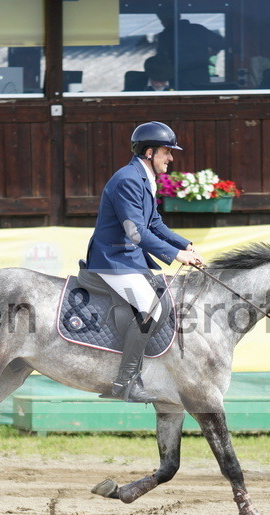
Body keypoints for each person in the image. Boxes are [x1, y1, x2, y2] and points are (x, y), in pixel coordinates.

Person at [85, 122, 203, 403]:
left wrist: (183, 244)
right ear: (149, 152)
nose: (171, 158)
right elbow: (135, 232)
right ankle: (124, 381)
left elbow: (154, 223)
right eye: (166, 152)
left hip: (129, 258)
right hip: (113, 259)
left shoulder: (144, 178)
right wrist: (176, 256)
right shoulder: (127, 179)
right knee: (151, 308)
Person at [154, 11, 225, 90]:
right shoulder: (198, 29)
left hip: (179, 77)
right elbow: (220, 44)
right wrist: (210, 55)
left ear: (163, 22)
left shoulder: (165, 35)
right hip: (201, 75)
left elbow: (161, 58)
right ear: (179, 16)